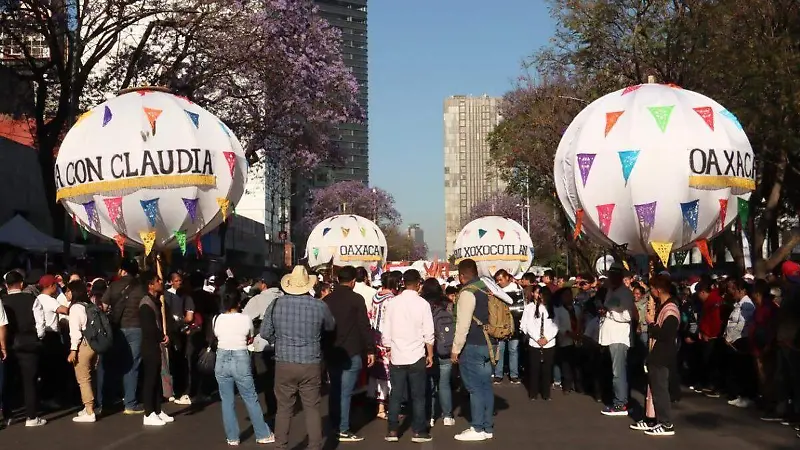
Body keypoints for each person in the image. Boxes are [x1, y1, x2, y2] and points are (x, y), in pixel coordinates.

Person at [260, 265, 335, 450]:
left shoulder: (276, 304)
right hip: (311, 361)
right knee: (312, 407)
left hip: (284, 361)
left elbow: (264, 332)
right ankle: (315, 446)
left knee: (284, 408)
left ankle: (280, 446)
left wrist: (278, 340)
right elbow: (331, 327)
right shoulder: (319, 305)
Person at [214, 289, 274, 446]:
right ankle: (262, 434)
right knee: (250, 397)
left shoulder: (217, 318)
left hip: (221, 357)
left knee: (227, 400)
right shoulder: (245, 318)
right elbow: (250, 335)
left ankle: (232, 437)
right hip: (240, 357)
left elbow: (216, 335)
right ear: (238, 302)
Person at [323, 266, 375, 442]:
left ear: (338, 280)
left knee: (335, 389)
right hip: (352, 351)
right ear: (353, 281)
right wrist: (370, 349)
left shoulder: (327, 300)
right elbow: (364, 326)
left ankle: (334, 424)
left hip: (332, 350)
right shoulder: (356, 299)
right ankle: (343, 428)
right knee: (345, 392)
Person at [382, 269, 434, 443]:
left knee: (396, 394)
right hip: (417, 354)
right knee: (418, 395)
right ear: (418, 283)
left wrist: (389, 349)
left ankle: (392, 430)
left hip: (397, 355)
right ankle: (419, 431)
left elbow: (386, 330)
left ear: (403, 283)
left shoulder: (393, 303)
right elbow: (429, 333)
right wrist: (431, 354)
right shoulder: (423, 304)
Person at [451, 259, 495, 442]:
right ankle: (487, 426)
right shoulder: (486, 287)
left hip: (473, 345)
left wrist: (455, 349)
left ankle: (477, 428)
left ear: (462, 276)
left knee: (475, 388)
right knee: (486, 386)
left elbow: (463, 325)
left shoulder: (468, 293)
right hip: (489, 343)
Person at [631, 275, 679, 436]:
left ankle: (666, 423)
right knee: (653, 389)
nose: (651, 292)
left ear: (658, 290)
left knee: (660, 390)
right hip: (657, 353)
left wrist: (651, 323)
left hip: (663, 354)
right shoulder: (663, 306)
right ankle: (653, 418)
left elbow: (666, 334)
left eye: (651, 289)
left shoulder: (671, 309)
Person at [1, 269, 46, 427]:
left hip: (8, 344)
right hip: (28, 342)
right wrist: (38, 337)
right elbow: (40, 323)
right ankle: (31, 417)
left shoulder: (2, 300)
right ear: (21, 283)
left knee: (8, 380)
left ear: (7, 285)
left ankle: (8, 414)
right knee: (29, 381)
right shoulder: (31, 298)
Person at [101, 259, 145, 414]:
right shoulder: (141, 287)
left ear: (123, 270)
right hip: (136, 328)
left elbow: (104, 307)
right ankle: (130, 403)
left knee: (113, 365)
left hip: (117, 328)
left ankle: (108, 400)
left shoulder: (113, 286)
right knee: (132, 366)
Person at [598, 263, 636, 416]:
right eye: (610, 274)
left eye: (614, 274)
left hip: (619, 337)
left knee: (618, 372)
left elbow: (627, 316)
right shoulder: (610, 291)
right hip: (609, 336)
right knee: (615, 371)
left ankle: (621, 403)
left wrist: (609, 313)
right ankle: (620, 399)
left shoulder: (625, 293)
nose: (611, 277)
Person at [138, 270, 173, 426]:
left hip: (156, 345)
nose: (161, 282)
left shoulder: (156, 301)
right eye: (157, 280)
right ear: (150, 285)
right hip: (149, 346)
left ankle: (158, 410)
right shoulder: (145, 304)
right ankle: (148, 412)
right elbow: (149, 328)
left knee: (157, 379)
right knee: (150, 379)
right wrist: (161, 336)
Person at [65, 279, 98, 423]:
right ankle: (88, 407)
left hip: (82, 345)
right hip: (94, 344)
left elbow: (75, 332)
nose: (66, 293)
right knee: (91, 376)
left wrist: (73, 350)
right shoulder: (88, 305)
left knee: (83, 379)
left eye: (68, 290)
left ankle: (89, 411)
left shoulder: (74, 308)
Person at [724, 277, 757, 408]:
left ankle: (747, 396)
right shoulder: (738, 304)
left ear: (742, 290)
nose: (733, 292)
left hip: (741, 340)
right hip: (734, 341)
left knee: (743, 370)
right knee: (737, 370)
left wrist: (731, 337)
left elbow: (742, 324)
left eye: (735, 290)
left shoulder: (747, 304)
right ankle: (740, 395)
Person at [520, 288, 558, 400]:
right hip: (534, 342)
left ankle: (546, 393)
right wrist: (537, 338)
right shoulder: (530, 308)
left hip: (549, 342)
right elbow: (528, 325)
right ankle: (533, 393)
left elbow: (556, 326)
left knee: (547, 369)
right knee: (534, 368)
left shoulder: (554, 309)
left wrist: (547, 338)